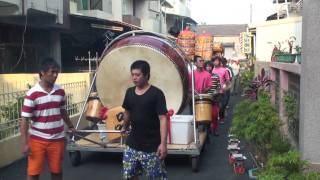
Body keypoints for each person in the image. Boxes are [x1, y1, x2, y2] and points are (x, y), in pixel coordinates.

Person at [20, 58, 75, 180]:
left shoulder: (60, 91)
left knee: (57, 171)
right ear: (43, 73)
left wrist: (70, 126)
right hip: (37, 140)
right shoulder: (32, 94)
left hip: (58, 139)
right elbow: (25, 120)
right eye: (52, 72)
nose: (56, 75)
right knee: (33, 173)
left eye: (57, 72)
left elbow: (62, 111)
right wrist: (24, 143)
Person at [121, 60, 168, 180]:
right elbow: (127, 112)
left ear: (146, 75)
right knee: (130, 175)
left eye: (138, 75)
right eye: (132, 75)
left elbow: (163, 119)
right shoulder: (129, 92)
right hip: (132, 144)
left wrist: (163, 144)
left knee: (156, 177)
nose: (134, 78)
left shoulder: (157, 94)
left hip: (152, 146)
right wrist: (124, 126)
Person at [212, 56, 231, 124]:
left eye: (217, 61)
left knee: (222, 106)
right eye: (214, 61)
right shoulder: (211, 70)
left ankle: (221, 117)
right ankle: (215, 118)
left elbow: (228, 81)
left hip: (222, 91)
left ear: (220, 62)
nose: (216, 62)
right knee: (214, 106)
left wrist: (225, 87)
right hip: (213, 91)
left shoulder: (224, 70)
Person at [205, 61, 221, 136]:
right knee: (206, 115)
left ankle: (215, 130)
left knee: (215, 115)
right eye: (207, 66)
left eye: (210, 66)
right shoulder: (204, 76)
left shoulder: (216, 76)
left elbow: (219, 87)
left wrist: (217, 92)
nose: (208, 68)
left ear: (212, 67)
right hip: (205, 98)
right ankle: (208, 129)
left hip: (214, 98)